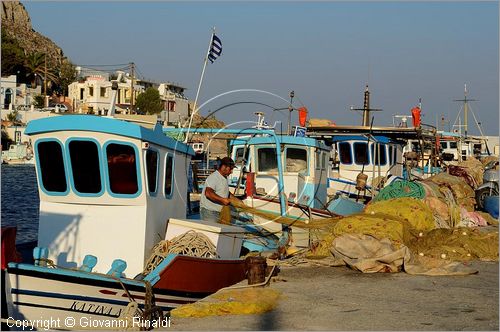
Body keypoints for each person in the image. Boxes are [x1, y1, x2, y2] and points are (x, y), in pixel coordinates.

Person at [200, 156, 235, 222]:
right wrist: (223, 200)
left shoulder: (224, 178)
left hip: (219, 212)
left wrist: (237, 201)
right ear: (224, 167)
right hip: (210, 213)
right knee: (212, 232)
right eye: (230, 169)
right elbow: (208, 193)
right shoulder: (214, 177)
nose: (231, 171)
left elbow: (225, 192)